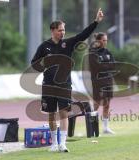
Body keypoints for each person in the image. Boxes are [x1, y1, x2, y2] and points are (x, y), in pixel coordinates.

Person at [31, 8, 104, 152]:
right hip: (49, 85)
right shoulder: (44, 46)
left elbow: (83, 35)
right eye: (59, 30)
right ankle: (53, 144)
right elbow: (34, 63)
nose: (62, 33)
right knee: (51, 114)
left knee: (63, 112)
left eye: (63, 30)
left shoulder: (68, 43)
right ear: (52, 30)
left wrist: (96, 22)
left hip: (64, 84)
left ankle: (63, 143)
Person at [89, 32, 115, 134]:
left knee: (107, 104)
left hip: (108, 80)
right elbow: (97, 67)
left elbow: (113, 65)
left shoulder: (107, 52)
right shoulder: (92, 52)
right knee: (97, 103)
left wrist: (105, 65)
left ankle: (105, 128)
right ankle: (92, 127)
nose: (105, 42)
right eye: (103, 40)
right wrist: (106, 65)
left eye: (106, 40)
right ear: (98, 41)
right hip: (98, 81)